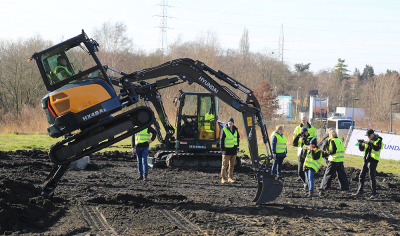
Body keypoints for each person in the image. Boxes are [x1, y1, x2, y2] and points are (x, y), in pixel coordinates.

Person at [354, 129, 383, 199]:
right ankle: (360, 192)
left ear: (373, 134)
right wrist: (360, 145)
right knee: (361, 175)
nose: (368, 137)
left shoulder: (379, 140)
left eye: (369, 135)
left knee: (371, 176)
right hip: (366, 160)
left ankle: (374, 193)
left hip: (373, 160)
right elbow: (362, 149)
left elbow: (376, 148)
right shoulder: (369, 140)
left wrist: (369, 143)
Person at [293, 116, 317, 183]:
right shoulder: (298, 128)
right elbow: (294, 139)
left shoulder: (312, 128)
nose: (303, 121)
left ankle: (308, 181)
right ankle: (304, 180)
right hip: (301, 148)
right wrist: (298, 137)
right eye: (302, 120)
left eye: (304, 120)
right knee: (300, 166)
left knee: (307, 166)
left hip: (309, 149)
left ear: (307, 120)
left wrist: (309, 141)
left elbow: (315, 138)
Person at [220, 117, 240, 183]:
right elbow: (221, 140)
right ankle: (223, 178)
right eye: (229, 121)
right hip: (226, 151)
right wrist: (222, 149)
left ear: (233, 123)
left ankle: (230, 178)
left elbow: (237, 139)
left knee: (232, 165)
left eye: (231, 122)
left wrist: (237, 147)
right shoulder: (224, 130)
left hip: (233, 151)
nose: (230, 123)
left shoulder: (235, 130)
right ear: (227, 122)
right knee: (224, 165)